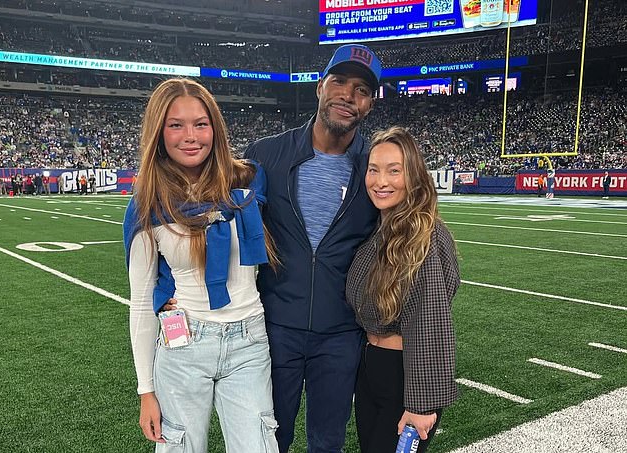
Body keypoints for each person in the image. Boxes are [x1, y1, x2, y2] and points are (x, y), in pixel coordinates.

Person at [123, 78, 279, 452]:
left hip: (249, 342)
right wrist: (146, 389)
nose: (190, 136)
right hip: (183, 344)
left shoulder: (247, 183)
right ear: (159, 132)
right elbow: (143, 301)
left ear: (216, 128)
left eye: (201, 123)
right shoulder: (149, 204)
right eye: (176, 125)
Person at [244, 44, 382, 452]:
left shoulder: (376, 166)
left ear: (370, 104)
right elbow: (220, 224)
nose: (347, 95)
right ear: (320, 87)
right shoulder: (265, 154)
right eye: (339, 82)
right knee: (270, 438)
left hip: (341, 333)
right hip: (274, 327)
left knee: (327, 442)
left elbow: (406, 234)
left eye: (360, 89)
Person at [346, 127, 460, 453]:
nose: (381, 181)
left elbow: (430, 321)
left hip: (406, 376)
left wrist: (422, 404)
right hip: (372, 371)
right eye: (374, 170)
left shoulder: (425, 235)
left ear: (413, 175)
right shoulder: (381, 229)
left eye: (394, 171)